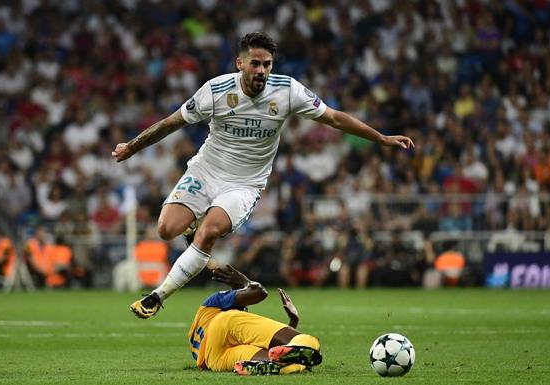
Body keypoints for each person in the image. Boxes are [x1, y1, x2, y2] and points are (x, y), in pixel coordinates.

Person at [113, 32, 414, 317]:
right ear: (240, 63)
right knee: (166, 229)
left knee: (210, 231)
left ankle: (158, 296)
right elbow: (170, 123)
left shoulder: (287, 91)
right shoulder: (215, 91)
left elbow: (334, 117)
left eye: (266, 64)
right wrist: (131, 146)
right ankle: (192, 228)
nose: (261, 70)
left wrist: (381, 138)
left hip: (245, 184)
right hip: (206, 170)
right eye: (255, 63)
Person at [188, 265, 322, 375]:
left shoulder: (199, 324)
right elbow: (259, 292)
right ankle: (307, 352)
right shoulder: (216, 302)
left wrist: (293, 323)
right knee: (311, 343)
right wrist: (244, 281)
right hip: (221, 324)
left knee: (282, 365)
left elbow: (277, 351)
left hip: (214, 360)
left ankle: (254, 368)